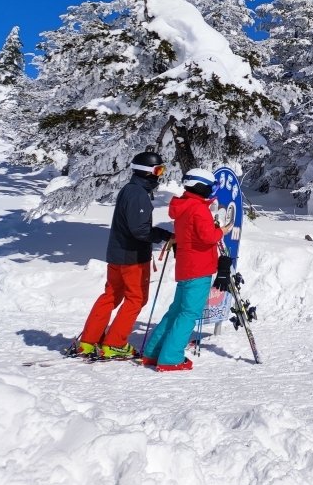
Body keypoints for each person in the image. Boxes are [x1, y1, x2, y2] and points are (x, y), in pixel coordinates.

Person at [70, 150, 173, 359]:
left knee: (111, 296)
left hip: (118, 254)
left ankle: (88, 342)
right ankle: (114, 344)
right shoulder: (138, 194)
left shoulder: (129, 189)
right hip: (132, 257)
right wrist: (164, 235)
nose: (160, 175)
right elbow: (140, 231)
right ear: (147, 172)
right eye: (158, 170)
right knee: (136, 299)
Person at [142, 169, 234, 371]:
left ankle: (153, 352)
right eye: (212, 187)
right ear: (202, 187)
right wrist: (222, 231)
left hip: (187, 266)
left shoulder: (184, 205)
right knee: (189, 313)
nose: (213, 190)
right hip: (199, 267)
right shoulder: (198, 209)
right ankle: (170, 357)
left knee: (176, 312)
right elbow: (208, 237)